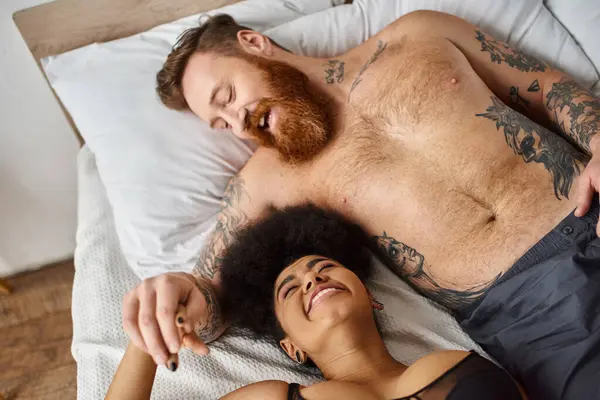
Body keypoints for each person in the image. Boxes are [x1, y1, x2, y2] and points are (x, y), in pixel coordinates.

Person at [122, 11, 600, 399]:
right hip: (534, 309)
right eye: (222, 125)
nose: (239, 121)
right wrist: (177, 292)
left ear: (253, 44)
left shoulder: (419, 34)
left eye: (227, 96)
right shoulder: (267, 181)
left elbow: (549, 90)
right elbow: (217, 298)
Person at [109, 205, 526, 400]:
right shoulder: (269, 399)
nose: (311, 278)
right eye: (290, 289)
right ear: (291, 346)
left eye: (324, 266)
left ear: (373, 300)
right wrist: (148, 339)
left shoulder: (457, 366)